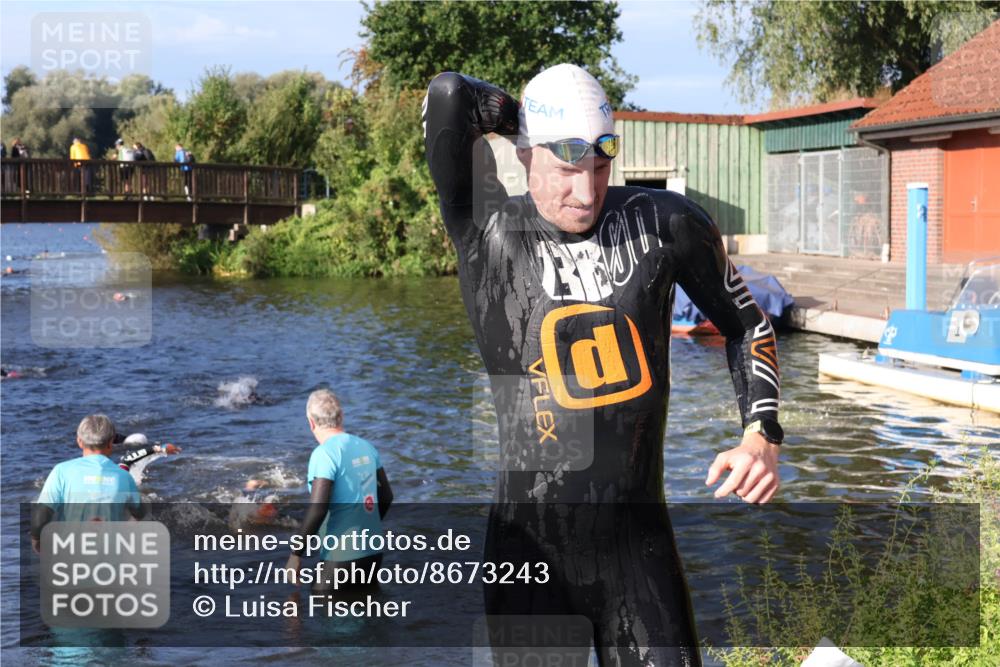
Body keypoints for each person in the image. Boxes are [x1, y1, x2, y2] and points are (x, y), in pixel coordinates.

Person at [423, 64, 784, 665]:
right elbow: (450, 96)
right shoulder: (487, 229)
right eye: (566, 167)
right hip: (528, 554)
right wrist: (529, 119)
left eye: (600, 163)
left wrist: (761, 433)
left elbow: (747, 324)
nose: (586, 192)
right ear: (526, 156)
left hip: (637, 552)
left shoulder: (666, 223)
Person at [285, 389, 393, 593]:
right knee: (368, 616)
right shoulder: (366, 446)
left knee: (326, 615)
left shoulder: (324, 454)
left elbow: (318, 509)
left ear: (311, 422)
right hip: (373, 554)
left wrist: (295, 554)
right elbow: (387, 496)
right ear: (341, 417)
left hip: (340, 558)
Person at [31, 415, 146, 553]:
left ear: (79, 441)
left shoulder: (61, 471)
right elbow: (140, 513)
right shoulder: (124, 476)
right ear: (111, 443)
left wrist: (36, 541)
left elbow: (41, 516)